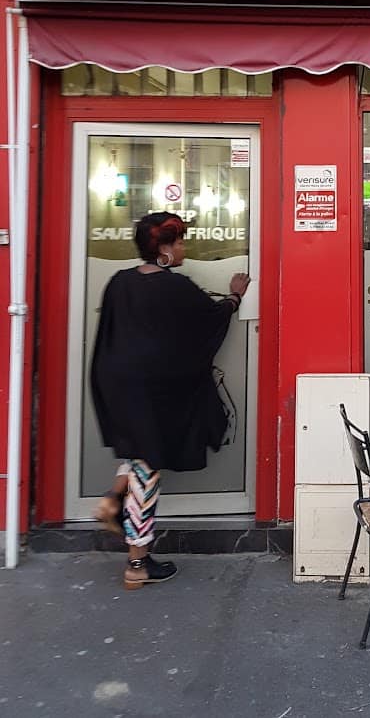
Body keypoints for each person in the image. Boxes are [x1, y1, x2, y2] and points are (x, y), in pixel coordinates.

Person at [90, 212, 250, 590]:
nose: (182, 249)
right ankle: (138, 562)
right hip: (155, 391)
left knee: (140, 452)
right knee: (147, 473)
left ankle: (114, 499)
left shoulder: (120, 281)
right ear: (163, 248)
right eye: (178, 243)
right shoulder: (175, 287)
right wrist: (235, 294)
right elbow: (211, 320)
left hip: (117, 383)